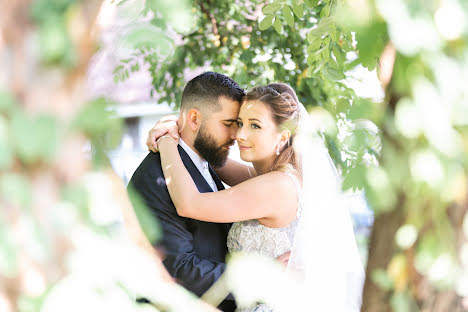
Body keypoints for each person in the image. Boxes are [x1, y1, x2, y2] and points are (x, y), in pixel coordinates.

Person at [150, 83, 365, 311]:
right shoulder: (273, 177)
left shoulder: (276, 186)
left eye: (255, 126)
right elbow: (211, 157)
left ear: (282, 137)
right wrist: (179, 125)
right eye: (239, 123)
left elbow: (189, 205)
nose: (240, 134)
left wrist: (165, 140)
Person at [128, 72, 244, 311]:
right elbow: (178, 268)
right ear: (193, 119)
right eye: (228, 124)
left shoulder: (206, 161)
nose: (236, 136)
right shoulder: (156, 177)